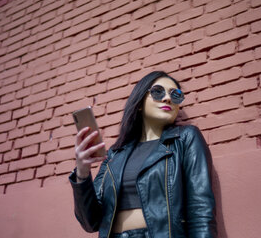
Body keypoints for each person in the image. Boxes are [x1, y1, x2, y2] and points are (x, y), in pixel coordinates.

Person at [69, 71, 217, 238]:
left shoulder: (185, 138)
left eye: (176, 95)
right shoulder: (115, 154)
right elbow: (90, 222)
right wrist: (82, 173)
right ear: (139, 102)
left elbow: (201, 209)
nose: (168, 98)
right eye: (158, 91)